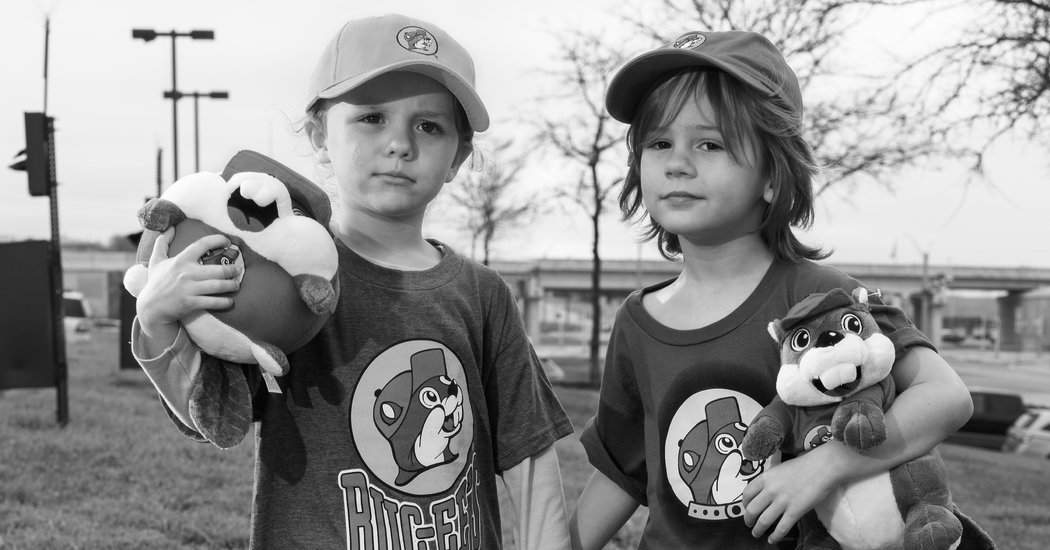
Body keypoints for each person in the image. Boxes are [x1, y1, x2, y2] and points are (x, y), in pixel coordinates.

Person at [131, 13, 574, 549]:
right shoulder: (275, 275)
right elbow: (214, 414)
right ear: (320, 138)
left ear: (458, 156)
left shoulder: (482, 295)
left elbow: (530, 461)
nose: (400, 144)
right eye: (371, 118)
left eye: (429, 125)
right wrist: (157, 321)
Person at [569, 30, 978, 549]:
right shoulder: (637, 320)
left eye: (710, 143)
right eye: (659, 143)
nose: (677, 162)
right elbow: (621, 470)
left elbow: (947, 396)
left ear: (772, 174)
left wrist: (827, 466)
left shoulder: (825, 297)